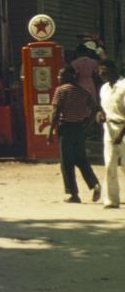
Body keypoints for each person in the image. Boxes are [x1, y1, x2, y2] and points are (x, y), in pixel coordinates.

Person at [47, 65, 101, 203]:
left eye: (61, 74)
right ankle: (94, 184)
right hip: (79, 128)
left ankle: (73, 194)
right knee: (81, 159)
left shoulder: (61, 90)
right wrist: (87, 125)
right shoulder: (84, 91)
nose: (58, 77)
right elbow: (95, 109)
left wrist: (50, 131)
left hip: (66, 128)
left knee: (66, 162)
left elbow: (55, 113)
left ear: (68, 76)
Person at [98, 60, 125, 208]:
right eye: (99, 70)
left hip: (123, 129)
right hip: (109, 128)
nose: (101, 73)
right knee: (109, 165)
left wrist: (120, 136)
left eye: (103, 69)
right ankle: (111, 200)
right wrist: (100, 114)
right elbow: (104, 109)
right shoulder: (104, 89)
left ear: (113, 69)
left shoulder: (123, 86)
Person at [71, 40, 102, 105]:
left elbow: (74, 75)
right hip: (90, 83)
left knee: (81, 102)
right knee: (92, 101)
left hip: (79, 83)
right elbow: (96, 75)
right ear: (86, 52)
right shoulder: (93, 62)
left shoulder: (74, 63)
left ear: (78, 53)